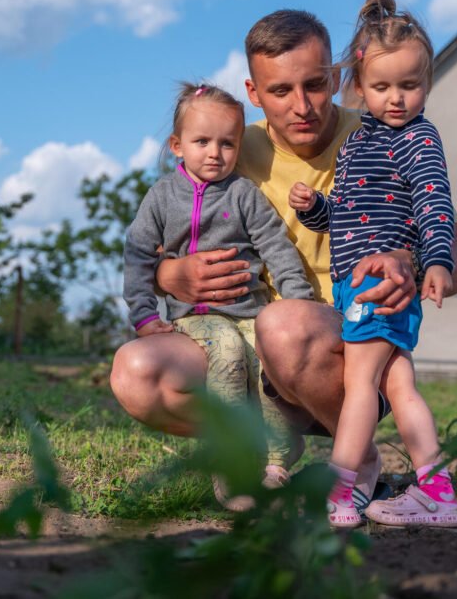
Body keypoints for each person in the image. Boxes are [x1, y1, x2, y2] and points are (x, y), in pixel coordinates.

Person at [109, 9, 457, 515]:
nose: (301, 105)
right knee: (136, 372)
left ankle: (358, 463)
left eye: (315, 84)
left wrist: (407, 261)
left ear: (337, 76)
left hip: (344, 350)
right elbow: (158, 236)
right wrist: (170, 276)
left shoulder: (381, 137)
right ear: (254, 92)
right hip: (249, 352)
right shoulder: (232, 145)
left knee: (281, 324)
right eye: (280, 90)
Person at [289, 0, 457, 528]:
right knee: (398, 385)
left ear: (427, 85)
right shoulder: (361, 140)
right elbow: (351, 216)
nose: (396, 99)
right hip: (356, 280)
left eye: (409, 86)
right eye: (382, 87)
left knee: (359, 383)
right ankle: (436, 490)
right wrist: (319, 208)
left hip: (380, 286)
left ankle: (342, 490)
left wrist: (437, 261)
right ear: (358, 88)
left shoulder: (417, 139)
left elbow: (435, 202)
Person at [123, 82, 315, 510]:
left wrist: (298, 301)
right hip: (196, 319)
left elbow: (276, 246)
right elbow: (137, 254)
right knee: (227, 353)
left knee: (265, 369)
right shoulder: (160, 198)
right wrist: (143, 314)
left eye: (227, 143)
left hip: (251, 312)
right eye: (202, 141)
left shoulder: (244, 194)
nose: (215, 153)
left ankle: (278, 460)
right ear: (177, 146)